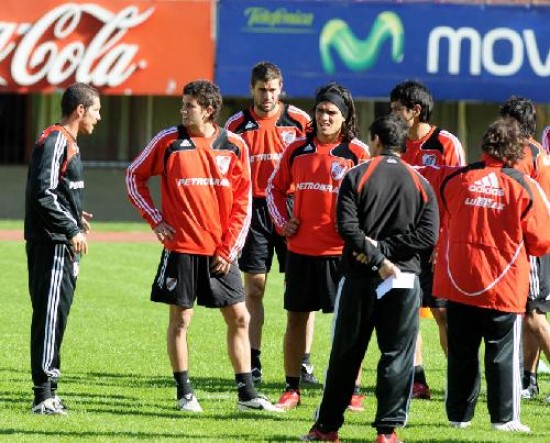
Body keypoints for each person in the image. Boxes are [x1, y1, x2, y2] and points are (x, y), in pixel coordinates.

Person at [126, 80, 280, 413]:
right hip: (180, 248)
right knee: (181, 321)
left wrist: (228, 250)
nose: (182, 111)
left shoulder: (235, 145)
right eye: (183, 105)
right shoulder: (168, 140)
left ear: (209, 109)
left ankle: (247, 395)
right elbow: (134, 176)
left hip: (219, 253)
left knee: (239, 318)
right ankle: (185, 394)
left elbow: (243, 203)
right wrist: (155, 219)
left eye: (189, 106)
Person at [300, 114, 439, 443]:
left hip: (361, 278)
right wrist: (388, 255)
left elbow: (346, 228)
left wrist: (377, 255)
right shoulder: (420, 183)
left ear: (375, 140)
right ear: (402, 145)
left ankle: (327, 428)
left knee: (347, 353)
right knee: (397, 355)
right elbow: (428, 234)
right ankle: (387, 433)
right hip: (404, 281)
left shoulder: (357, 175)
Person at [431, 117, 550, 432]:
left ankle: (459, 416)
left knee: (462, 353)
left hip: (458, 282)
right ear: (515, 150)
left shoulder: (457, 179)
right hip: (502, 285)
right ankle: (505, 418)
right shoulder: (524, 185)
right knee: (501, 354)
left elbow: (442, 211)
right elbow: (541, 241)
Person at [267, 82, 370, 411]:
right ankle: (291, 388)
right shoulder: (296, 150)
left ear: (344, 117)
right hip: (301, 252)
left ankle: (351, 390)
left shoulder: (358, 153)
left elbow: (371, 201)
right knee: (296, 319)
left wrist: (357, 235)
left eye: (332, 112)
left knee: (349, 324)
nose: (324, 117)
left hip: (342, 255)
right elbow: (274, 189)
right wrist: (283, 224)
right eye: (321, 110)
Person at [224, 62, 318, 385]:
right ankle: (253, 361)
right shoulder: (236, 125)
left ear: (282, 89)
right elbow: (227, 172)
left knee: (302, 291)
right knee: (254, 288)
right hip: (254, 211)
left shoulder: (301, 121)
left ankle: (303, 363)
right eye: (262, 90)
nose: (267, 96)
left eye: (273, 89)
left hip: (294, 208)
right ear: (252, 89)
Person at [25, 82, 101, 415]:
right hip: (54, 243)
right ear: (80, 110)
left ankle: (50, 392)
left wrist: (74, 212)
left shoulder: (67, 142)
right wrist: (70, 227)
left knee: (56, 317)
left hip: (60, 241)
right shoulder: (56, 140)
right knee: (50, 316)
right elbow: (43, 193)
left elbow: (56, 190)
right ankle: (43, 396)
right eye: (96, 110)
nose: (98, 118)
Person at [389, 79, 465, 400]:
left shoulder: (445, 143)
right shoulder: (395, 144)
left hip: (437, 245)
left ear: (415, 111)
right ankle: (418, 380)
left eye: (396, 110)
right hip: (403, 244)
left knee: (444, 314)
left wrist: (443, 241)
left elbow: (458, 197)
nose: (391, 114)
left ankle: (459, 379)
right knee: (409, 312)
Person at [498, 97, 550, 401]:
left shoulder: (522, 153)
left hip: (530, 241)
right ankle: (528, 380)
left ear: (515, 124)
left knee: (532, 316)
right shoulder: (538, 150)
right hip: (537, 238)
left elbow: (516, 197)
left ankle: (527, 378)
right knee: (530, 313)